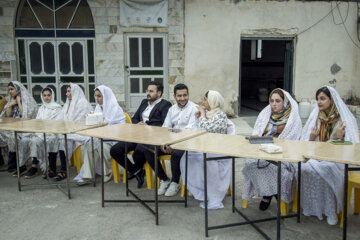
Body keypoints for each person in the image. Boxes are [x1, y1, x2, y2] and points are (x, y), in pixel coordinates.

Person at [300, 86, 359, 225]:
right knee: (305, 169)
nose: (319, 102)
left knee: (327, 170)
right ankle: (313, 208)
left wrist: (339, 138)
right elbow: (306, 143)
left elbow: (352, 147)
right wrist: (311, 137)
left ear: (331, 100)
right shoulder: (317, 118)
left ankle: (331, 211)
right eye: (317, 99)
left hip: (336, 159)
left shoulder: (342, 120)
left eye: (322, 98)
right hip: (317, 156)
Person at [242, 88, 302, 211]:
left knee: (273, 168)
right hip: (263, 151)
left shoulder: (293, 119)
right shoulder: (266, 114)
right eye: (272, 101)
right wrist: (256, 137)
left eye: (278, 101)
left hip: (283, 155)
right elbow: (257, 132)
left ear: (285, 102)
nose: (274, 104)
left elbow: (293, 141)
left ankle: (268, 194)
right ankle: (269, 193)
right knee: (250, 164)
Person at [110, 81, 171, 188]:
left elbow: (163, 123)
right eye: (147, 90)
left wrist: (146, 125)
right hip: (137, 135)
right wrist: (137, 124)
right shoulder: (144, 102)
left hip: (152, 137)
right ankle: (136, 171)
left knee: (139, 151)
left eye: (151, 91)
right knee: (115, 150)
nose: (148, 93)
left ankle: (161, 178)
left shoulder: (165, 105)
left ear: (159, 93)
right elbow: (134, 118)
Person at [140, 83, 198, 196]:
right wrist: (163, 142)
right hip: (170, 141)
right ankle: (164, 179)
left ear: (188, 95)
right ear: (175, 96)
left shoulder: (194, 108)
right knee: (147, 149)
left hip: (187, 142)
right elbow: (165, 128)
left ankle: (175, 182)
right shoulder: (172, 109)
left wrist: (173, 144)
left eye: (185, 95)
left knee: (176, 154)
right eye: (179, 96)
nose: (182, 98)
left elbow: (190, 130)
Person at [180, 90, 233, 209]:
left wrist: (202, 115)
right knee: (186, 157)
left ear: (212, 101)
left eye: (205, 99)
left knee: (200, 161)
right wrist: (197, 118)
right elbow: (194, 129)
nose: (203, 102)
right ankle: (200, 190)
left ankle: (210, 194)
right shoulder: (208, 114)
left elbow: (208, 130)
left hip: (216, 150)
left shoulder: (220, 115)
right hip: (205, 148)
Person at [75, 85, 126, 185]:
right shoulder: (98, 108)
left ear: (106, 96)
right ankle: (88, 175)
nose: (97, 99)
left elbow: (120, 128)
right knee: (89, 145)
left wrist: (103, 131)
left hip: (112, 139)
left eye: (99, 96)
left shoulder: (115, 109)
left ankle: (107, 172)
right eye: (95, 96)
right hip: (100, 136)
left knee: (103, 147)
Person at [17, 87, 62, 178]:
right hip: (41, 131)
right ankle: (33, 167)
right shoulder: (41, 108)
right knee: (28, 140)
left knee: (49, 141)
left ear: (52, 96)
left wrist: (46, 126)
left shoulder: (57, 108)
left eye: (48, 95)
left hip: (53, 132)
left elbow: (57, 122)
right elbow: (38, 121)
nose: (46, 97)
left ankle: (51, 168)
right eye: (44, 95)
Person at [56, 83, 93, 181]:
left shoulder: (82, 103)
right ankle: (56, 168)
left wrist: (67, 128)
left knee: (63, 139)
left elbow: (80, 121)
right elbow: (62, 118)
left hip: (82, 131)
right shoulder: (68, 103)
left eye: (69, 91)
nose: (67, 94)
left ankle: (63, 170)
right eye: (67, 91)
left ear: (75, 91)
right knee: (58, 137)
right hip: (70, 130)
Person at [0, 81, 38, 174]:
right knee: (9, 137)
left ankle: (19, 164)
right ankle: (17, 164)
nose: (10, 92)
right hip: (15, 126)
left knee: (18, 138)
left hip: (28, 126)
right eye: (9, 90)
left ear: (18, 89)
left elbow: (24, 114)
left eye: (12, 89)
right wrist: (10, 105)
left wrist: (18, 102)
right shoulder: (11, 100)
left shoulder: (27, 100)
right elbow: (8, 115)